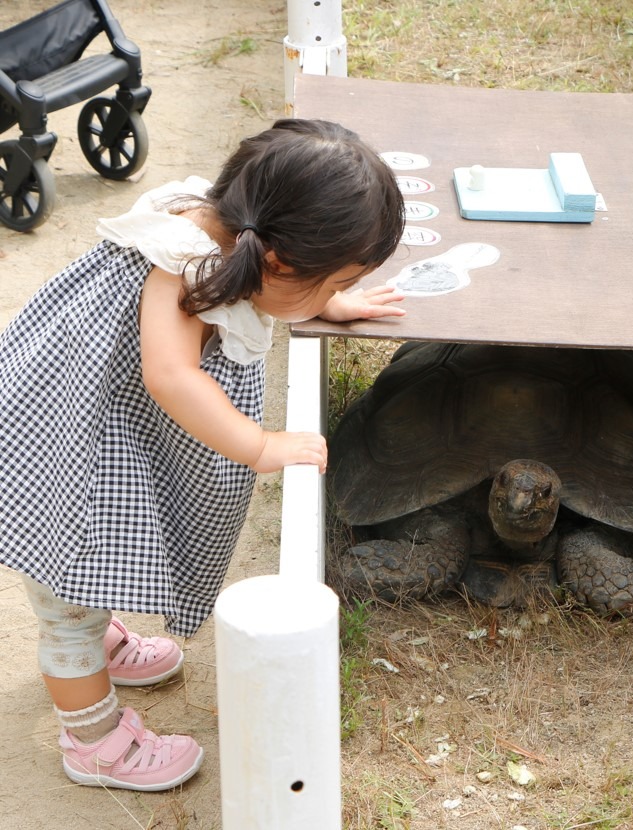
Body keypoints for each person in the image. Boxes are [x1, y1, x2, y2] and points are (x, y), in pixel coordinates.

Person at [0, 118, 406, 791]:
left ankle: (93, 630)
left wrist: (326, 306)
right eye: (330, 283)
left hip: (84, 423)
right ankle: (93, 742)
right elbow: (171, 375)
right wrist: (259, 444)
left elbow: (266, 291)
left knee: (77, 584)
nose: (331, 295)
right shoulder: (188, 266)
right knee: (67, 590)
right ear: (278, 262)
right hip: (67, 455)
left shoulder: (233, 230)